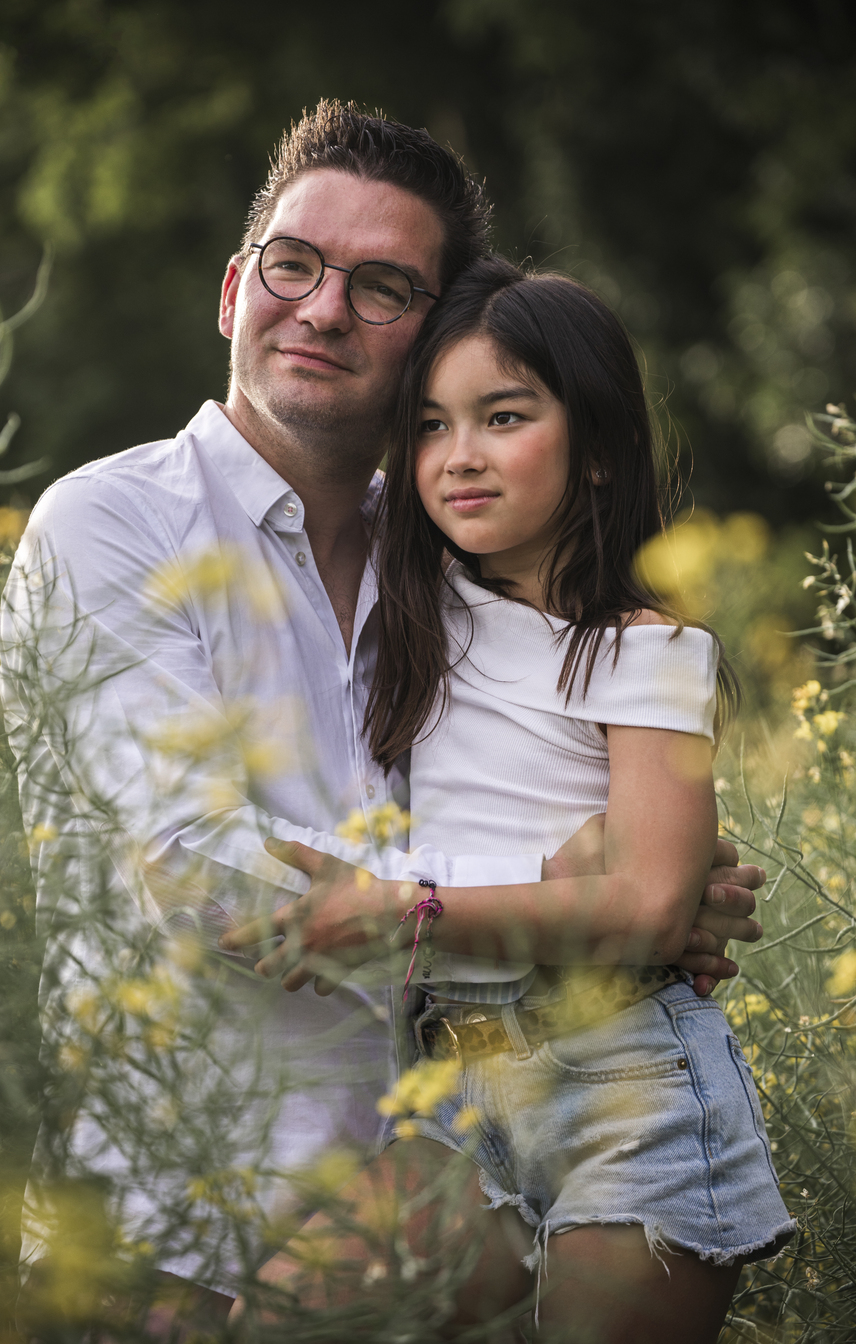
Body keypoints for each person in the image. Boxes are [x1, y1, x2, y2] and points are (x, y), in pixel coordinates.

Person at [0, 101, 764, 1338]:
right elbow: (206, 879)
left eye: (383, 285)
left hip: (459, 1211)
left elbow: (591, 810)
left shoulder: (463, 568)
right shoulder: (111, 527)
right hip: (171, 1236)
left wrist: (655, 880)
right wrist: (579, 902)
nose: (321, 306)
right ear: (233, 287)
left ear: (433, 339)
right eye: (293, 265)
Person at [221, 257, 794, 1342]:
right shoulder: (419, 602)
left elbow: (649, 912)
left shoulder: (652, 652)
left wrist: (407, 912)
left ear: (597, 451)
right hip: (455, 1090)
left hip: (628, 1089)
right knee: (274, 1314)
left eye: (503, 416)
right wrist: (596, 871)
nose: (458, 457)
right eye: (430, 426)